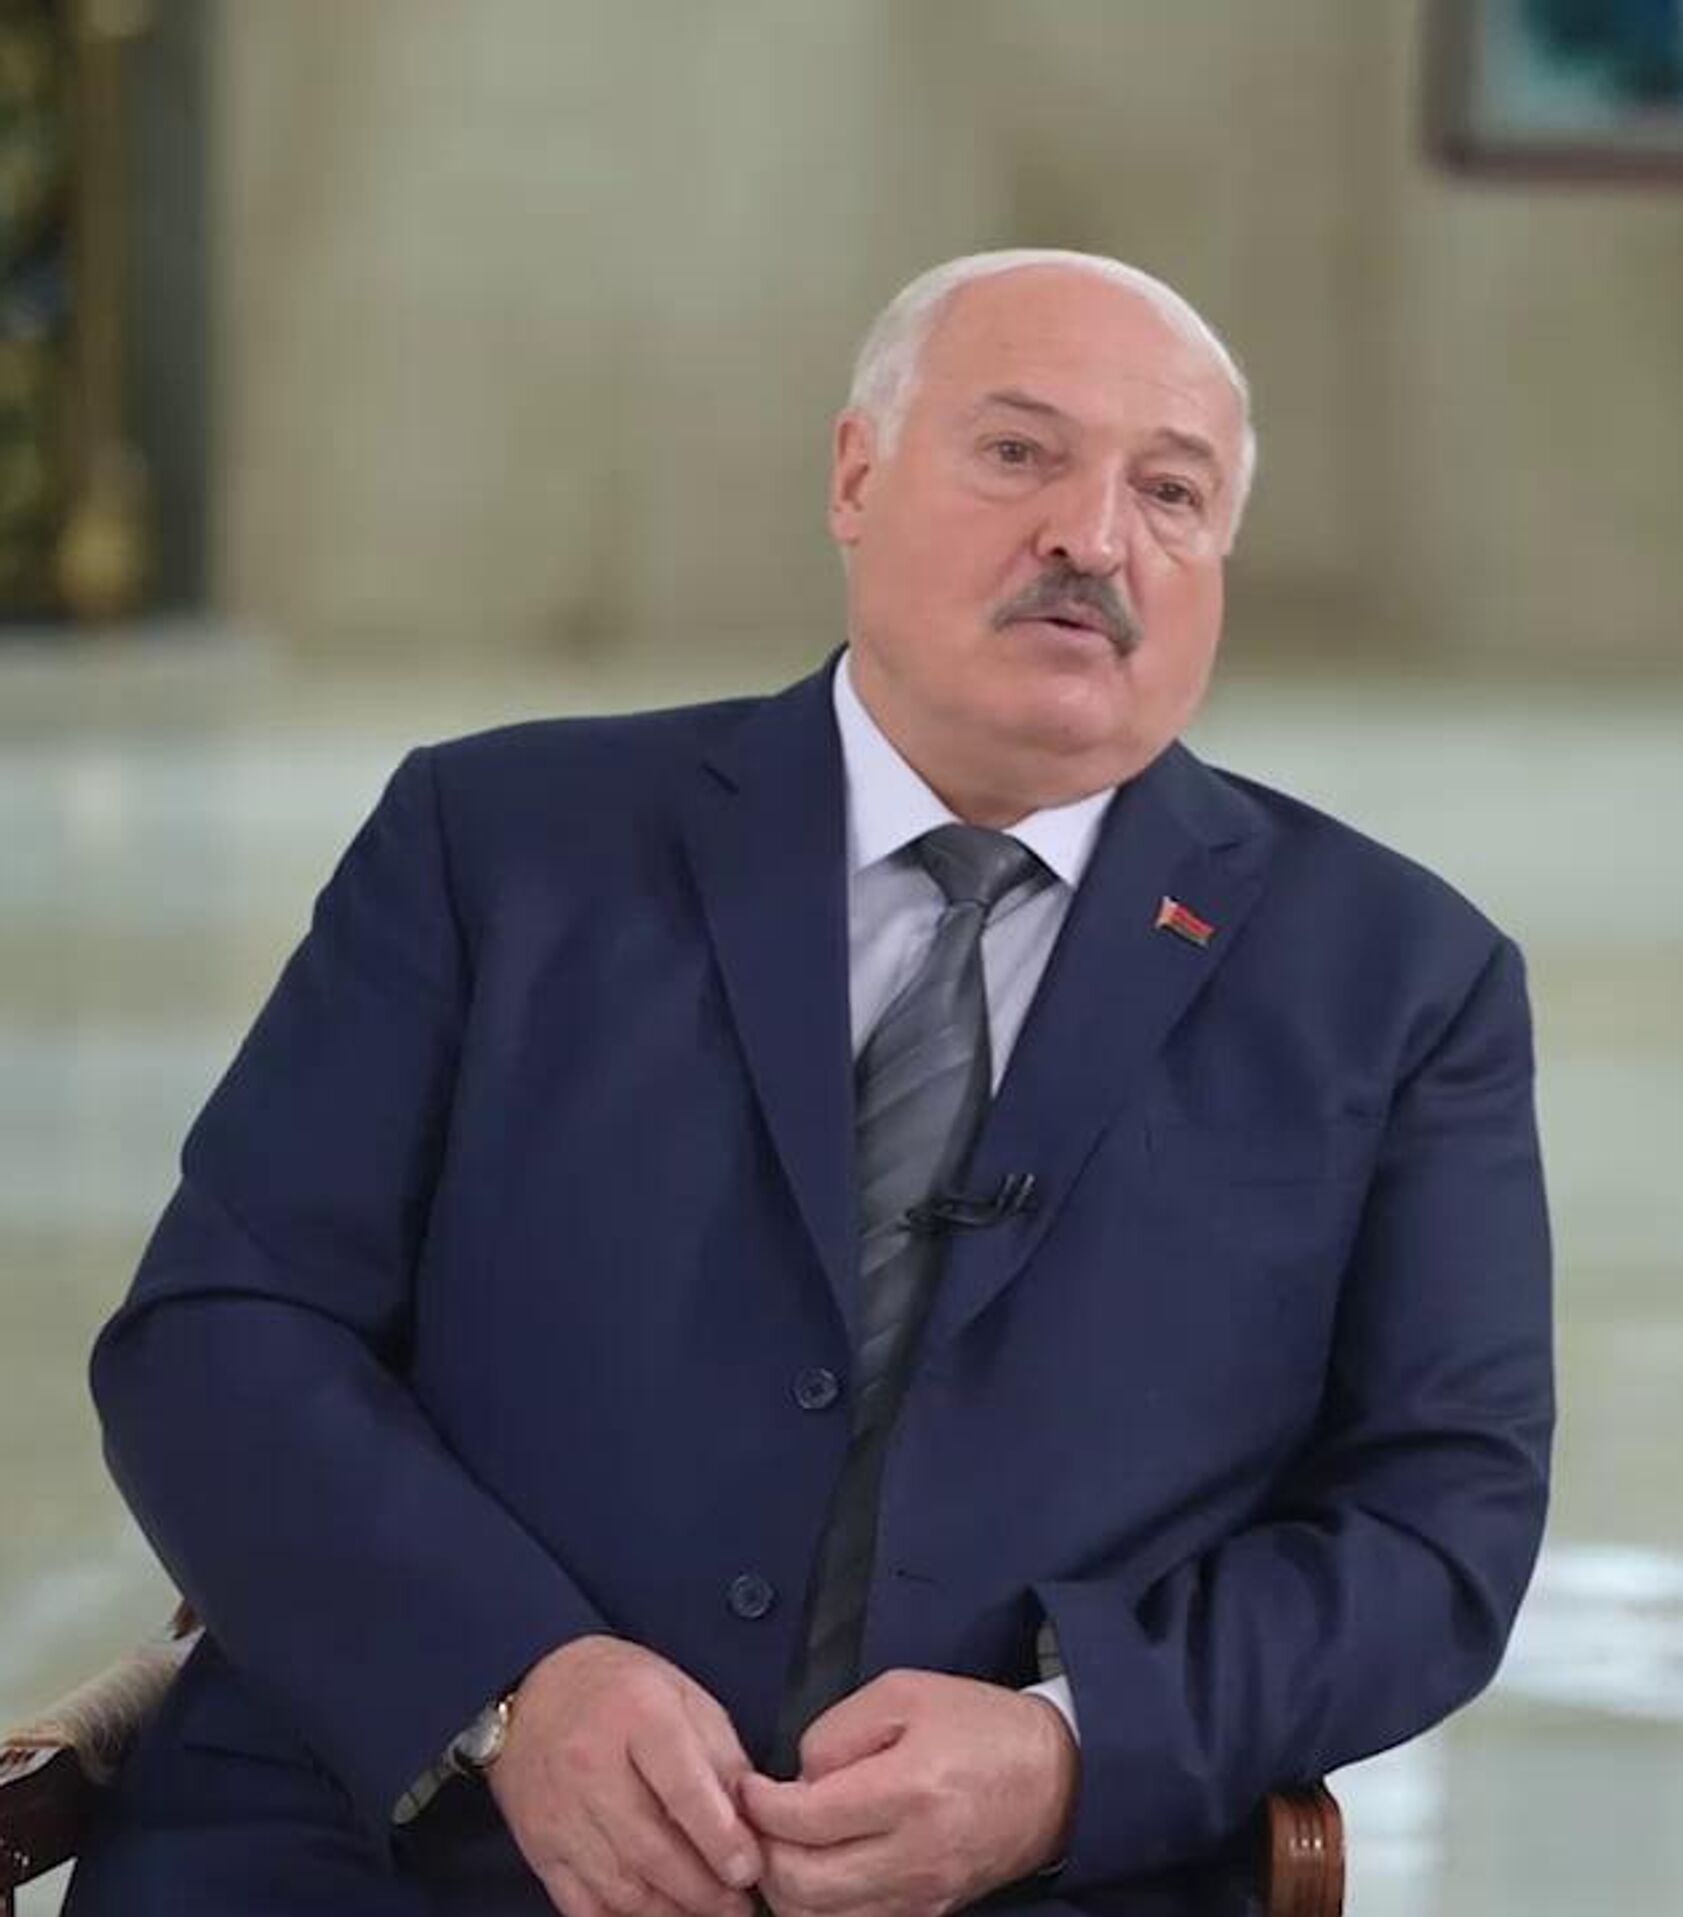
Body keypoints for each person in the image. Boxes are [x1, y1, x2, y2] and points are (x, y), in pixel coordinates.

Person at [67, 250, 1554, 1917]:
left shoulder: (1399, 981)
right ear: (856, 476)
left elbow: (1439, 1522)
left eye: (1171, 490)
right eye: (1020, 452)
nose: (1093, 535)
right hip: (394, 1846)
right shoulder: (496, 848)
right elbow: (218, 1333)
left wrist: (1068, 1752)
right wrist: (513, 1684)